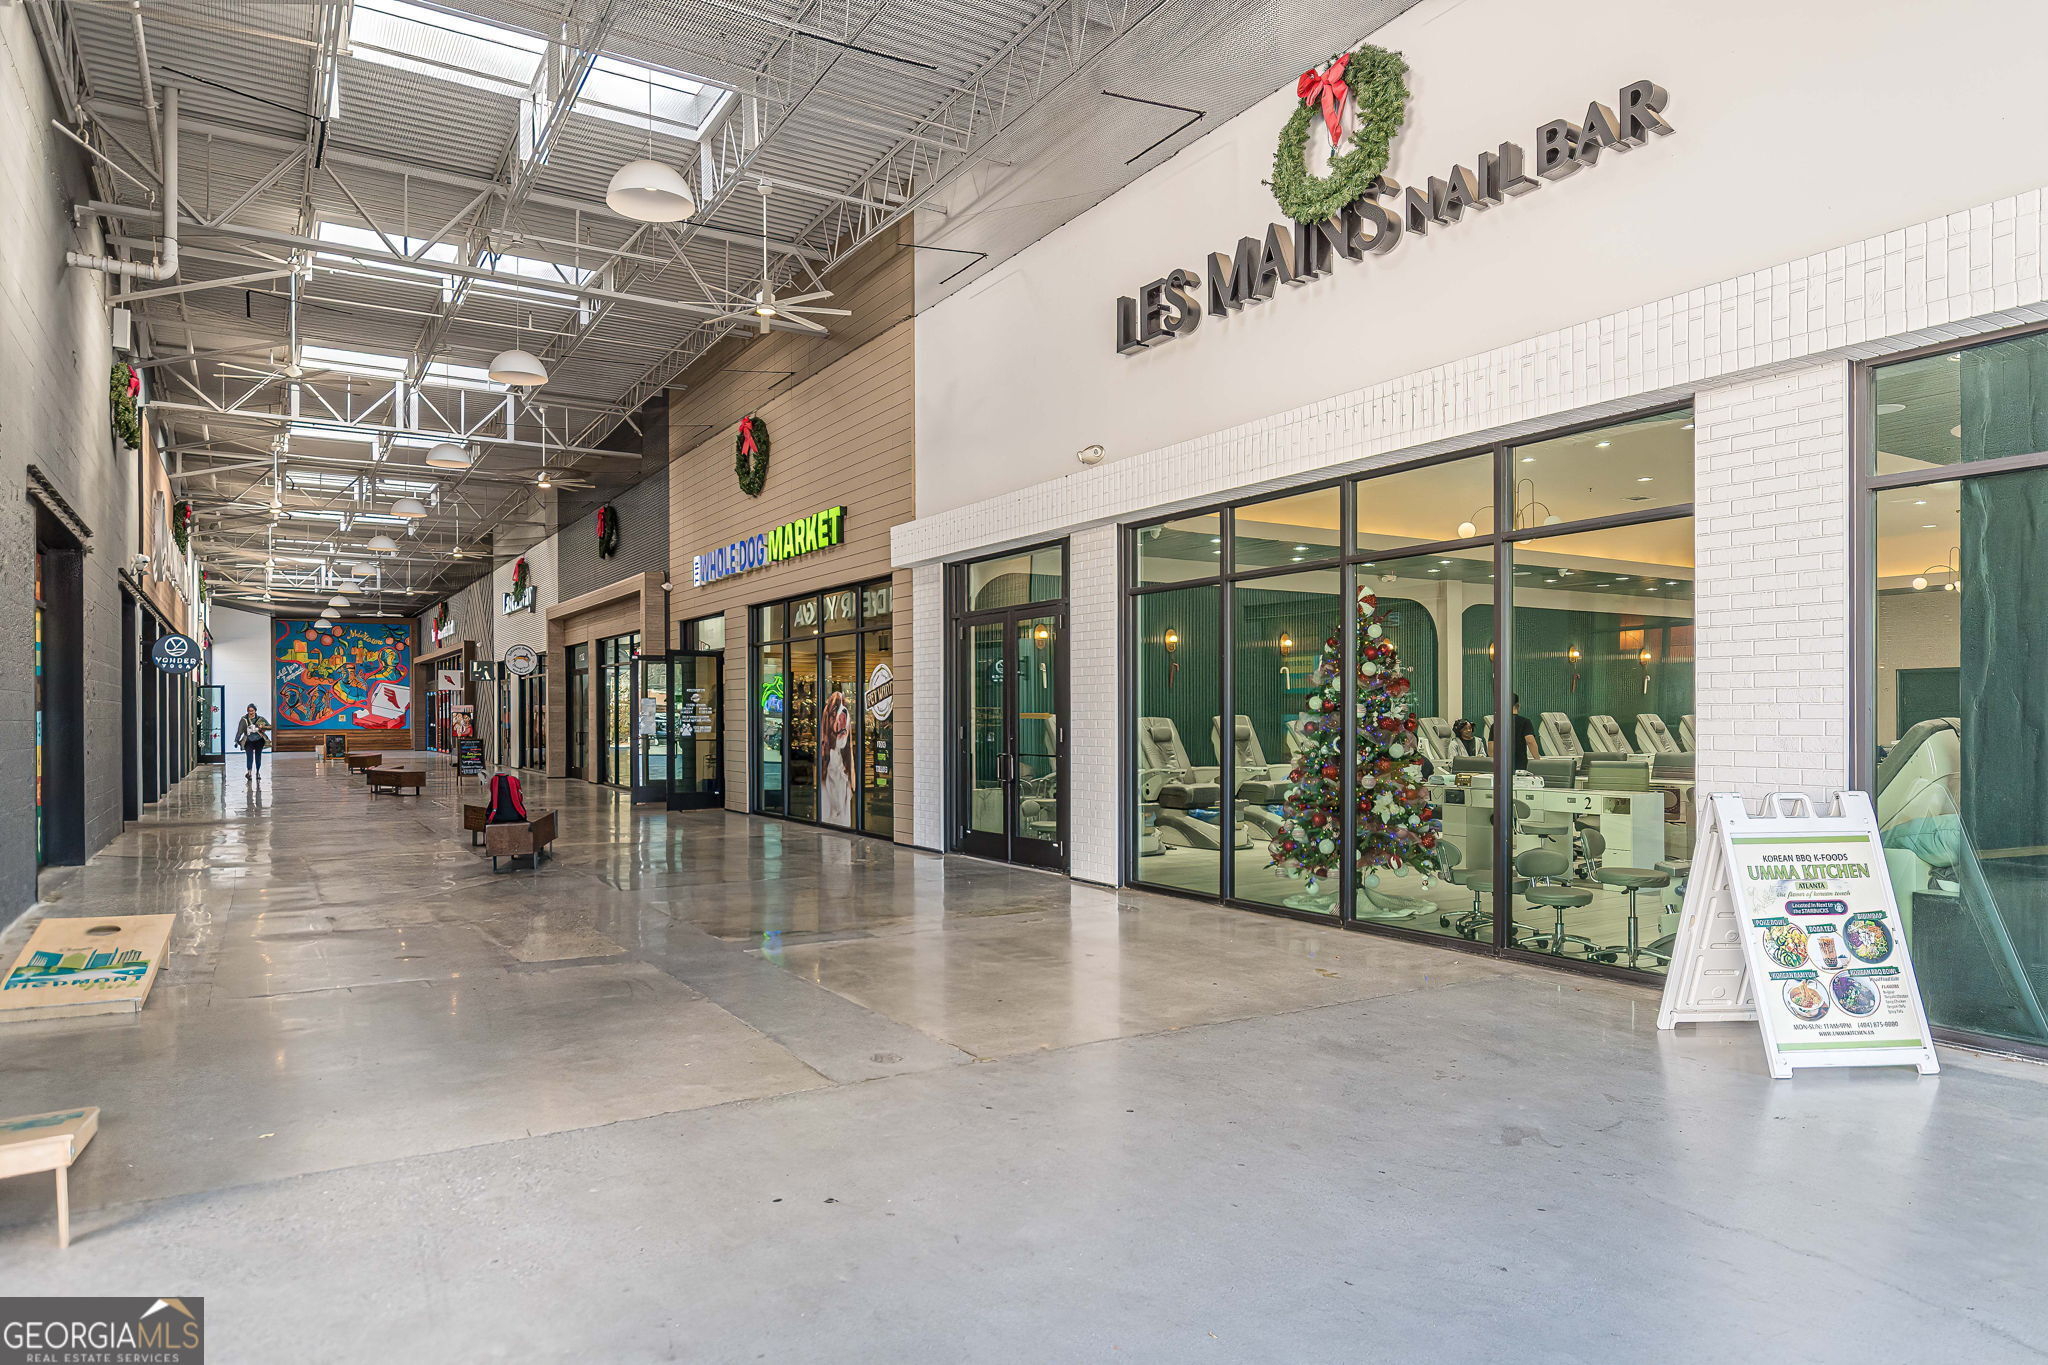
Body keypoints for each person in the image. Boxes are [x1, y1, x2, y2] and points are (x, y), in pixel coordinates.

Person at [236, 704, 272, 777]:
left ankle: (258, 772)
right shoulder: (244, 719)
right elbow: (240, 731)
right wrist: (236, 740)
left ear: (255, 711)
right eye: (249, 711)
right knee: (249, 757)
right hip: (248, 740)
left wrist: (262, 727)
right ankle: (249, 772)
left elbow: (270, 727)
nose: (251, 712)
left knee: (258, 756)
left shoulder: (260, 719)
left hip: (259, 740)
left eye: (252, 711)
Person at [1509, 693, 1539, 768]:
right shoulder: (1525, 722)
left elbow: (1491, 749)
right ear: (1518, 706)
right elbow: (1530, 741)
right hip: (1520, 765)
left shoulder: (1496, 724)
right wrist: (1537, 760)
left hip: (1501, 767)